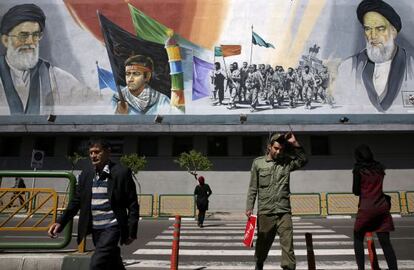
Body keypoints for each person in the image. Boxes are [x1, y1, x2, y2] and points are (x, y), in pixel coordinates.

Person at [48, 138, 139, 270]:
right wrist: (60, 222)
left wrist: (131, 230)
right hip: (96, 228)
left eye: (97, 152)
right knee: (113, 262)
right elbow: (76, 201)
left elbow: (132, 203)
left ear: (108, 152)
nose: (93, 155)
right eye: (91, 153)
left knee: (97, 263)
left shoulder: (121, 173)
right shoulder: (86, 174)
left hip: (113, 226)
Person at [0, 4, 90, 115]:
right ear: (5, 40)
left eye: (35, 35)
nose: (30, 42)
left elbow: (90, 106)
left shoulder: (57, 78)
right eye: (23, 36)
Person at [335, 0, 414, 112]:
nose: (373, 36)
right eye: (368, 29)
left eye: (380, 29)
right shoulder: (347, 68)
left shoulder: (411, 65)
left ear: (393, 32)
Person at [246, 132, 307, 270]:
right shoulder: (258, 163)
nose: (279, 151)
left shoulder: (287, 163)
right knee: (263, 243)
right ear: (269, 147)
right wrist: (249, 207)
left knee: (288, 244)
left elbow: (303, 160)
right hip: (266, 211)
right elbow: (252, 187)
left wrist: (295, 143)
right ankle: (259, 262)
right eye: (276, 148)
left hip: (283, 211)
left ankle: (288, 267)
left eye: (281, 149)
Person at [352, 144, 398, 270]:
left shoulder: (358, 170)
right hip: (382, 207)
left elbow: (356, 191)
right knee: (385, 243)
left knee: (358, 238)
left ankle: (361, 268)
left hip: (366, 208)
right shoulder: (379, 168)